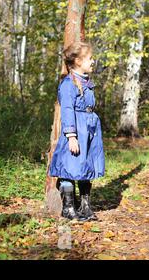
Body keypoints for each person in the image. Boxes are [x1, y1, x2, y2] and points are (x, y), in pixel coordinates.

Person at [49, 41, 105, 220]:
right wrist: (71, 136)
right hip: (76, 131)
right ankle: (68, 209)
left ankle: (85, 207)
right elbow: (67, 110)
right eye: (90, 58)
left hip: (88, 130)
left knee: (85, 166)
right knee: (70, 167)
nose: (93, 61)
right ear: (79, 61)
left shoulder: (86, 82)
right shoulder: (68, 84)